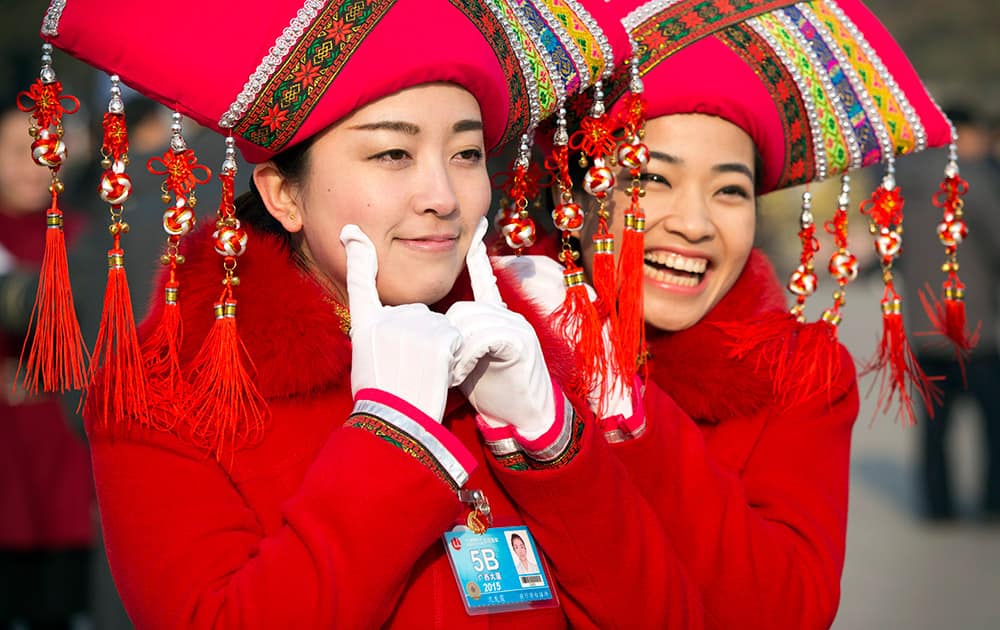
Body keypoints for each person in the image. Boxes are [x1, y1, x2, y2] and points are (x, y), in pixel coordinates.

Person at [35, 0, 704, 627]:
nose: (443, 195)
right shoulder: (171, 396)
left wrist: (552, 444)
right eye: (392, 154)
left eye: (466, 153)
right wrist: (391, 440)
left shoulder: (525, 356)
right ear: (283, 196)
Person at [501, 0, 957, 627]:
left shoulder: (799, 377)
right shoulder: (486, 344)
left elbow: (789, 609)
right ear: (570, 195)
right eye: (651, 178)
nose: (694, 224)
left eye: (730, 191)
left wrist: (632, 415)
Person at [0, 94, 95, 629]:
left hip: (65, 454)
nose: (34, 164)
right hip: (7, 453)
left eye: (45, 150)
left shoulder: (86, 238)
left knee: (66, 603)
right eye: (17, 150)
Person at [895, 105, 1000, 521]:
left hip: (924, 327)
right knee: (993, 422)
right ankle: (993, 501)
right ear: (966, 134)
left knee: (936, 425)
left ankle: (938, 507)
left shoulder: (905, 182)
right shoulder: (973, 179)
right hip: (975, 328)